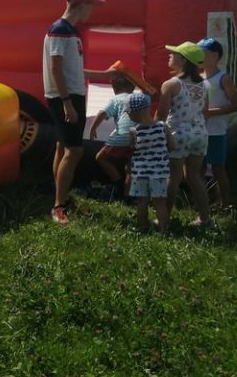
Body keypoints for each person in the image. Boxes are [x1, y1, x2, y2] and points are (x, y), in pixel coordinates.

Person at [43, 0, 115, 223]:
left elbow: (71, 69)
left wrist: (103, 75)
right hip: (65, 97)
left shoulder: (71, 32)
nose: (92, 11)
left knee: (63, 146)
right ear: (82, 5)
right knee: (74, 151)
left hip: (69, 95)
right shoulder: (60, 30)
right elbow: (55, 68)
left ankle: (61, 197)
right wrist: (66, 102)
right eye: (91, 6)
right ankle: (59, 206)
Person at [159, 42, 211, 229]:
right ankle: (205, 219)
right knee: (194, 176)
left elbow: (161, 115)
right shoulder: (204, 84)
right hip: (200, 133)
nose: (170, 55)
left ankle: (164, 219)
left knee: (173, 178)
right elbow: (205, 111)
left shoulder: (171, 84)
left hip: (178, 134)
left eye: (174, 53)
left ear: (183, 60)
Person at [198, 36, 237, 211]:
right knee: (199, 168)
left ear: (215, 55)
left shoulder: (223, 78)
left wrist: (211, 112)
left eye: (203, 53)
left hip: (216, 131)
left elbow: (236, 105)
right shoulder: (198, 77)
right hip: (199, 131)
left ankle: (224, 202)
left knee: (217, 168)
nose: (199, 56)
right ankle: (203, 200)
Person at [127, 91, 174, 233]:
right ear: (148, 108)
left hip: (140, 173)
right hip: (159, 173)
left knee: (142, 202)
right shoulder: (163, 127)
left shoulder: (134, 131)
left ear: (133, 113)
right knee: (160, 202)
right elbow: (172, 145)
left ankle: (142, 227)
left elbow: (131, 149)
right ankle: (163, 229)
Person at [87, 71, 137, 197]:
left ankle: (118, 183)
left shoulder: (116, 99)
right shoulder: (136, 98)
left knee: (100, 157)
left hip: (122, 136)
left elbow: (102, 113)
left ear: (115, 89)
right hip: (137, 136)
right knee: (130, 168)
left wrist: (93, 128)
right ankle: (127, 196)